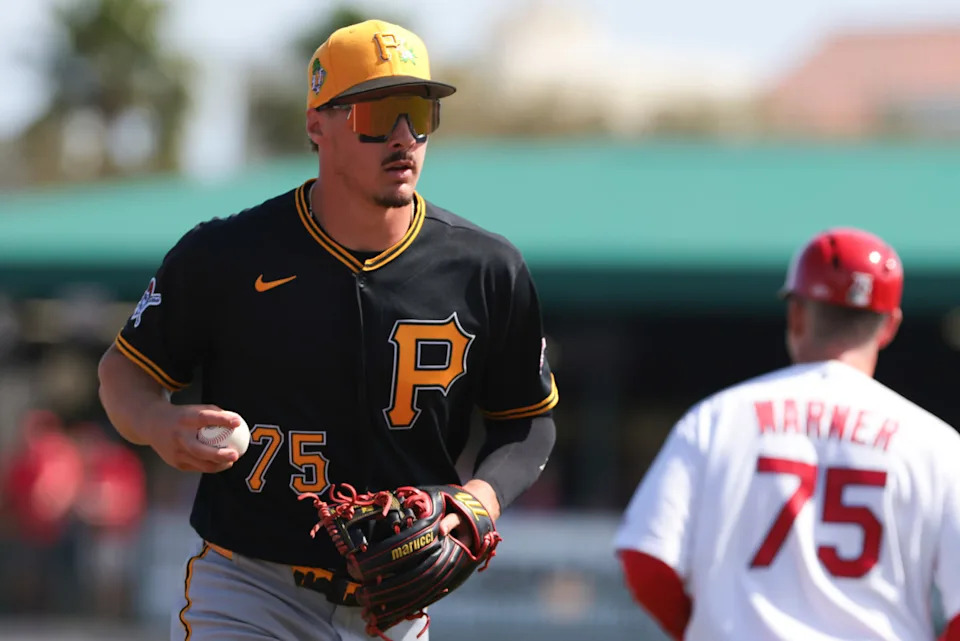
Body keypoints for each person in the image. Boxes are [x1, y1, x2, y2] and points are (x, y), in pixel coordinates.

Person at [97, 19, 558, 641]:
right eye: (381, 113)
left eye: (420, 113)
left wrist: (478, 499)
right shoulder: (226, 255)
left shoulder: (487, 269)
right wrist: (155, 423)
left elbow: (527, 420)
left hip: (396, 604)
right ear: (318, 124)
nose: (405, 137)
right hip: (250, 587)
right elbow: (122, 375)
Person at [614, 228, 960, 641]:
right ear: (889, 327)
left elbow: (645, 559)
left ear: (797, 313)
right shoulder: (936, 444)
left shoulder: (717, 419)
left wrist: (691, 628)